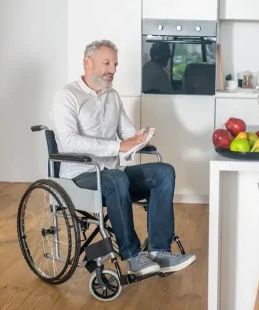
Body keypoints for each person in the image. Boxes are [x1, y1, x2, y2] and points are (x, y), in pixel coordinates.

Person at [51, 39, 196, 277]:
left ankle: (160, 251)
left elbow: (126, 132)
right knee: (116, 178)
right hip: (80, 177)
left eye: (115, 64)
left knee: (163, 171)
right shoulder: (67, 96)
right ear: (87, 62)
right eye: (106, 63)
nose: (112, 70)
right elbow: (69, 142)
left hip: (113, 176)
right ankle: (132, 256)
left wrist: (139, 137)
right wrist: (119, 146)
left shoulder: (112, 95)